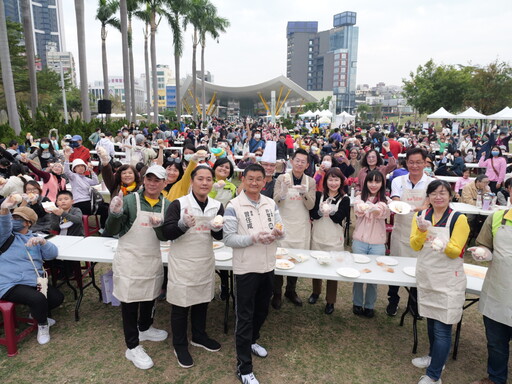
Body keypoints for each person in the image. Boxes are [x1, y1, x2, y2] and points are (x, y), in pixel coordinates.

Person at [224, 164, 284, 384]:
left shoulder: (270, 203)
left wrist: (278, 233)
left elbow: (281, 229)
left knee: (262, 309)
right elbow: (228, 239)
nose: (255, 183)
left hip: (268, 265)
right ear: (243, 179)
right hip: (246, 268)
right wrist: (253, 238)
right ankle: (244, 367)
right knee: (245, 317)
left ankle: (252, 340)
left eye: (259, 179)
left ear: (265, 181)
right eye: (250, 179)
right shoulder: (233, 205)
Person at [105, 165, 170, 370]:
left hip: (151, 258)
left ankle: (145, 327)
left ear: (164, 183)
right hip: (130, 259)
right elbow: (111, 230)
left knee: (150, 295)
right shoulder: (130, 200)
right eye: (149, 179)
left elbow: (165, 237)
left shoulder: (167, 205)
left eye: (157, 180)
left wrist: (163, 225)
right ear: (143, 180)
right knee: (130, 302)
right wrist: (115, 214)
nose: (152, 183)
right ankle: (132, 346)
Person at [162, 166, 224, 369]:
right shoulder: (179, 204)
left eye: (208, 179)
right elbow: (167, 232)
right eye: (200, 179)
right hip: (183, 261)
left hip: (204, 259)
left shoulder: (217, 206)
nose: (205, 183)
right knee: (181, 304)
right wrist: (182, 224)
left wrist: (218, 229)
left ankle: (199, 335)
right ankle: (179, 344)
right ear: (192, 181)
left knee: (202, 300)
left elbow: (220, 236)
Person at [410, 180, 470, 384]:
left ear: (450, 195)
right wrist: (422, 230)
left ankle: (434, 375)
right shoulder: (420, 216)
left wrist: (440, 243)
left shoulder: (458, 219)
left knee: (442, 327)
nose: (438, 197)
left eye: (442, 193)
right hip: (427, 276)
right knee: (430, 318)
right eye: (434, 193)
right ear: (428, 197)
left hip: (447, 279)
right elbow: (415, 245)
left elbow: (455, 251)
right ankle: (433, 357)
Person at [0, 200, 63, 345]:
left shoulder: (34, 237)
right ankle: (42, 326)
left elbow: (52, 255)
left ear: (28, 223)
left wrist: (43, 242)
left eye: (18, 219)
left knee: (56, 297)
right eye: (13, 217)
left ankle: (35, 314)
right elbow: (3, 225)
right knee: (37, 298)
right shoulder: (5, 236)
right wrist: (4, 209)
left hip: (33, 280)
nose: (13, 220)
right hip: (10, 282)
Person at [387, 148, 434, 316]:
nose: (415, 166)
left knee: (418, 268)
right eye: (411, 162)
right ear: (406, 163)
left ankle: (414, 304)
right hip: (401, 230)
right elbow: (395, 200)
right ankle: (393, 300)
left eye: (418, 162)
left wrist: (411, 208)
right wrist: (406, 206)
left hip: (421, 231)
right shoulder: (398, 180)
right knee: (395, 266)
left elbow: (429, 205)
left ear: (425, 163)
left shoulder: (431, 183)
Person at [468, 207, 512, 384]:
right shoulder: (497, 217)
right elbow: (484, 244)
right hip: (499, 290)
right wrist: (483, 253)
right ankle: (495, 378)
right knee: (496, 342)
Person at [272, 148, 316, 309]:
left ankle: (291, 290)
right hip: (283, 223)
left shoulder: (310, 181)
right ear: (291, 161)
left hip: (300, 225)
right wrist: (283, 192)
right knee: (279, 257)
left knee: (296, 258)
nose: (299, 164)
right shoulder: (281, 178)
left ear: (307, 165)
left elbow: (311, 205)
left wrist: (305, 193)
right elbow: (274, 202)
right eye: (297, 160)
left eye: (303, 162)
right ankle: (277, 292)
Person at [308, 168, 350, 314]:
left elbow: (339, 217)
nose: (333, 183)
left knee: (333, 271)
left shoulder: (345, 199)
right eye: (330, 180)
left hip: (334, 240)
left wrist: (330, 211)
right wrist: (320, 211)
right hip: (318, 236)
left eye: (336, 180)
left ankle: (330, 301)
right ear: (326, 181)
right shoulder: (319, 195)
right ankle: (315, 292)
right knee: (316, 267)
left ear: (341, 182)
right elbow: (312, 214)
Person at [352, 170, 390, 318]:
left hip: (378, 244)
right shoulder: (359, 198)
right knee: (358, 274)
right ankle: (357, 303)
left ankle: (369, 305)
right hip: (359, 241)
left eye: (377, 181)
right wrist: (367, 207)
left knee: (374, 276)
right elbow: (358, 209)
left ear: (382, 184)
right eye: (370, 181)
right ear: (365, 182)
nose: (373, 185)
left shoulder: (386, 201)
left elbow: (384, 212)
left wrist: (377, 209)